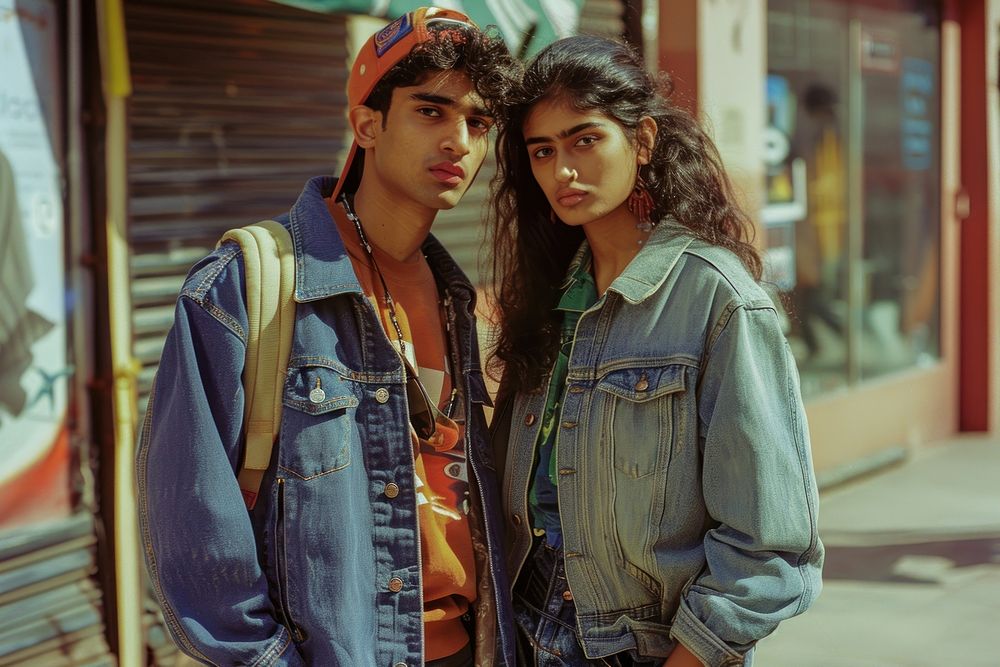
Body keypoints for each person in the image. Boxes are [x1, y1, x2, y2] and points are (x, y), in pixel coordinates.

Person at [136, 8, 520, 666]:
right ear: (366, 123)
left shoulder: (462, 304)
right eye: (431, 111)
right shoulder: (248, 285)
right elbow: (191, 526)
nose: (460, 140)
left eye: (478, 122)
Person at [487, 36, 824, 667]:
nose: (563, 170)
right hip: (523, 631)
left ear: (642, 142)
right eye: (543, 150)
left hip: (644, 649)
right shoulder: (549, 298)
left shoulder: (716, 299)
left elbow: (768, 543)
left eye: (585, 139)